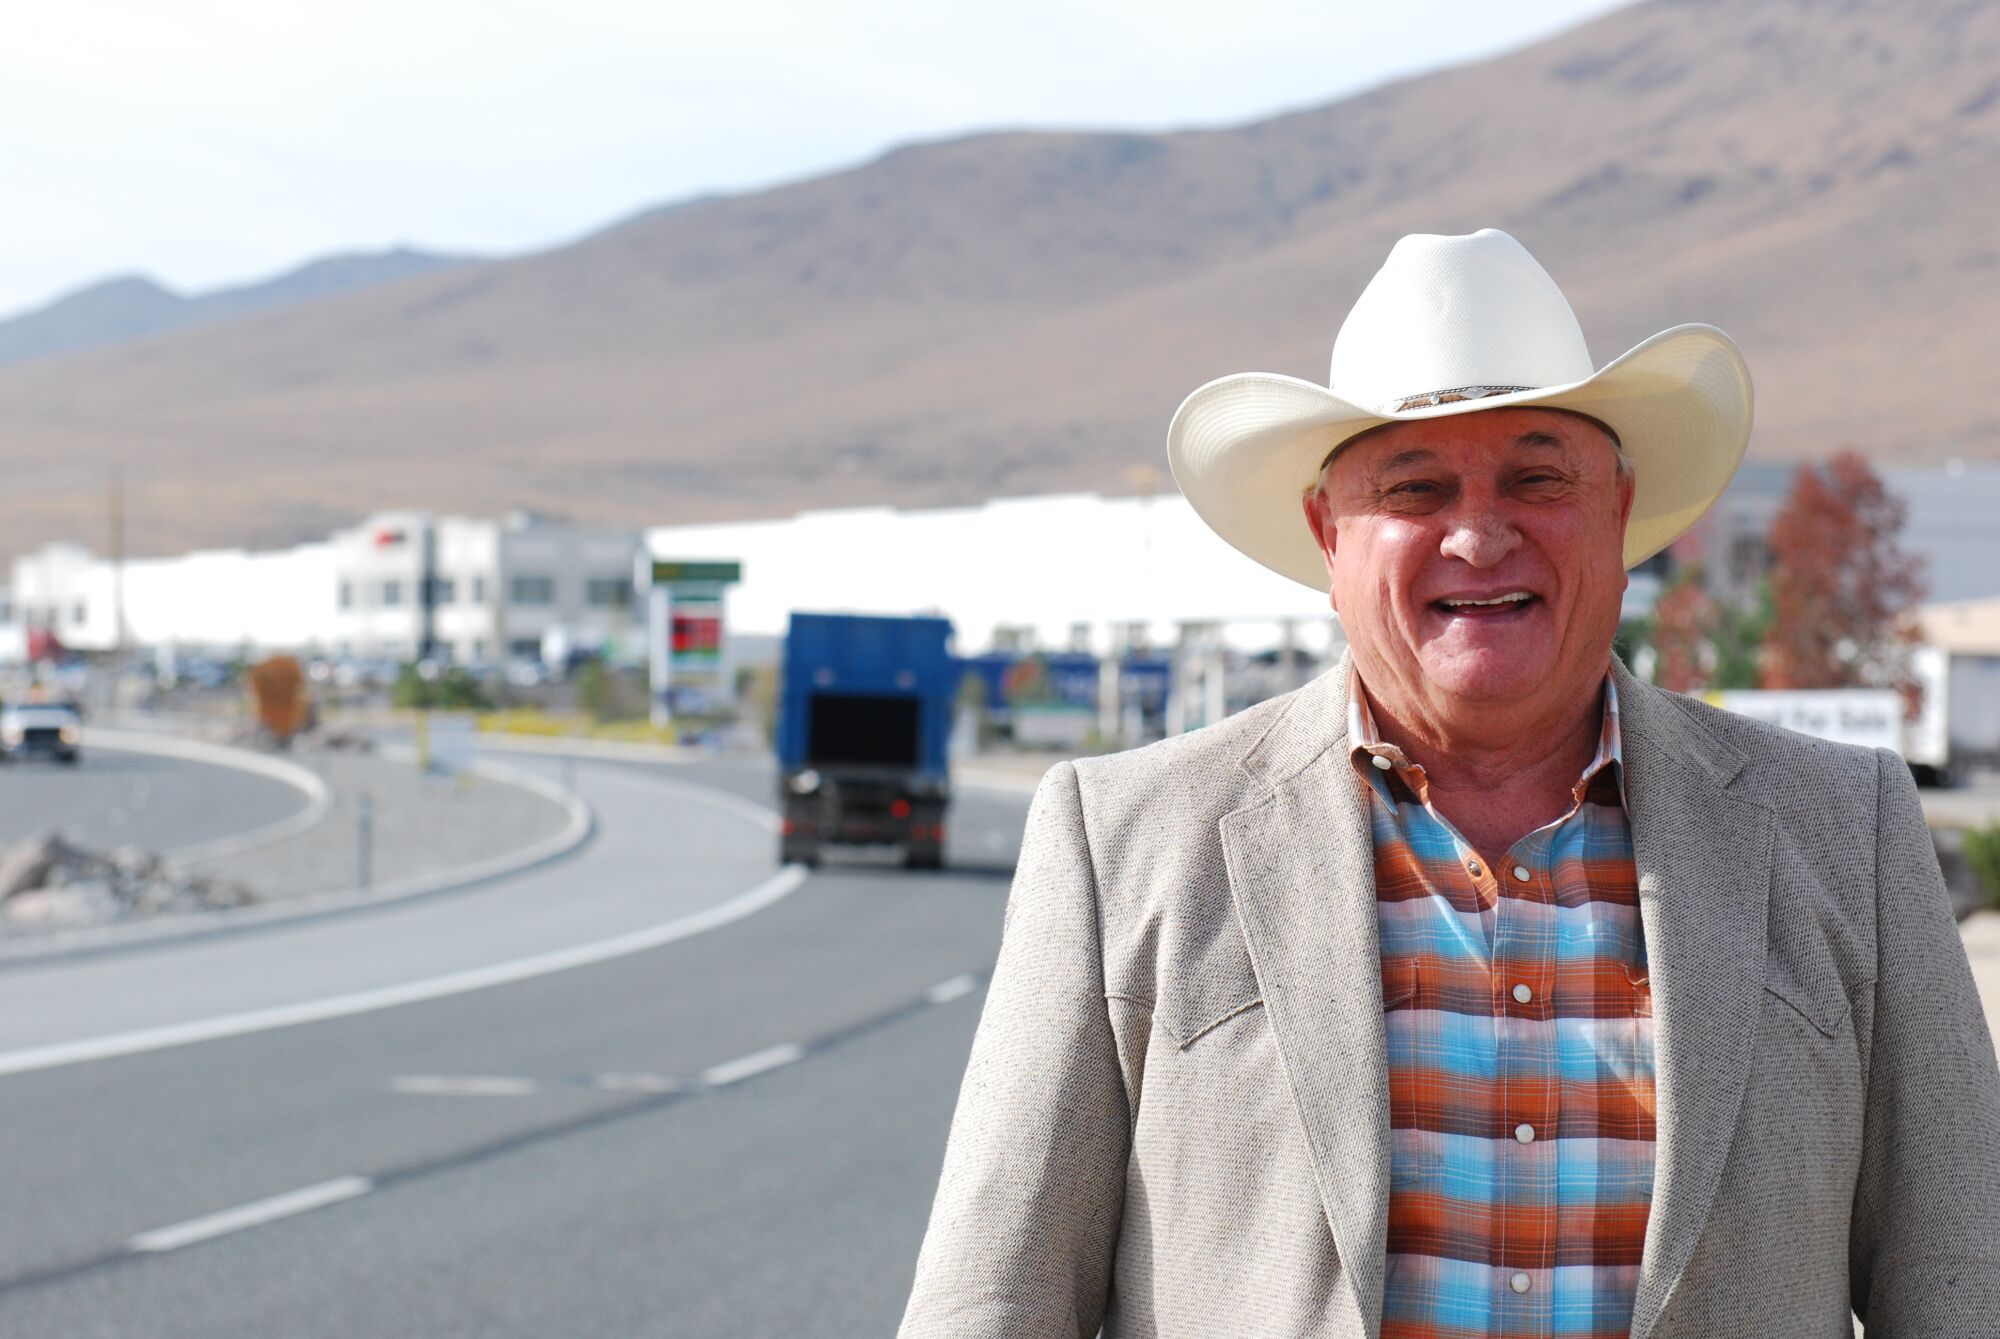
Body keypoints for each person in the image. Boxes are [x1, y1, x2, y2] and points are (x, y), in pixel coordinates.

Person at [898, 229, 2000, 1337]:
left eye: (1535, 478)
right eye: (1414, 487)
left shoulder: (1840, 833)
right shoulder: (1126, 840)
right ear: (1328, 537)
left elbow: (1965, 1281)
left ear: (1618, 514)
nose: (1478, 535)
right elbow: (989, 1300)